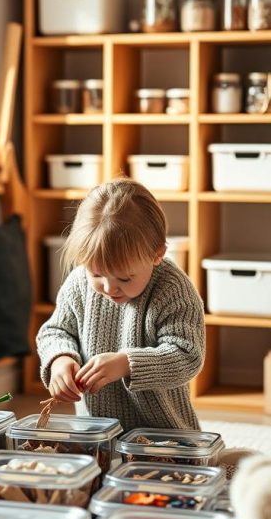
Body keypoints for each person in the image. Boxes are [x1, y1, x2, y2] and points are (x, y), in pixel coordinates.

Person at [36, 178, 204, 433]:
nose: (108, 287)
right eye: (96, 274)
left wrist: (127, 363)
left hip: (164, 434)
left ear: (156, 254)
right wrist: (59, 359)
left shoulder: (173, 290)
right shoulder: (78, 283)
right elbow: (55, 331)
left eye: (124, 278)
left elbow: (187, 356)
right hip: (96, 431)